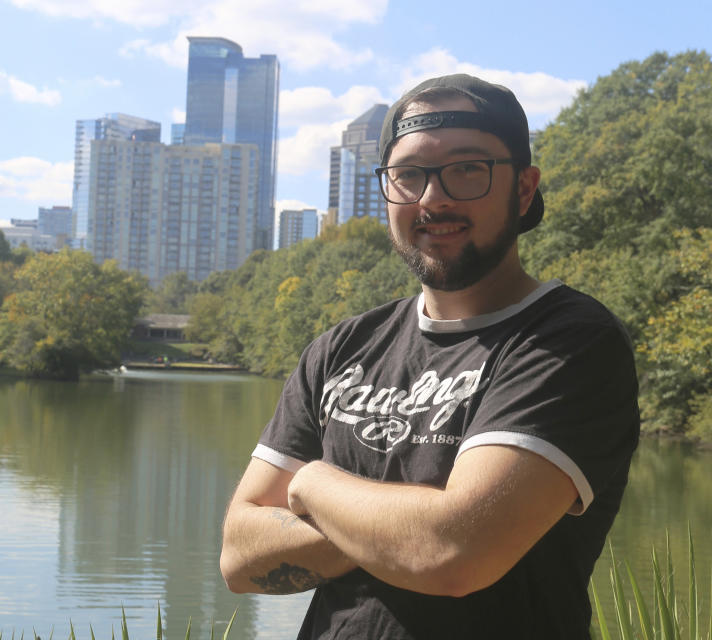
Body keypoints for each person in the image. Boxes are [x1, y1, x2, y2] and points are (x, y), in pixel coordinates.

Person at [219, 74, 640, 639]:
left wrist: (313, 486)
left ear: (523, 188)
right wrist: (404, 529)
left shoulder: (568, 340)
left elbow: (452, 553)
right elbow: (239, 557)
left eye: (468, 169)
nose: (433, 198)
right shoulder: (341, 348)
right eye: (408, 175)